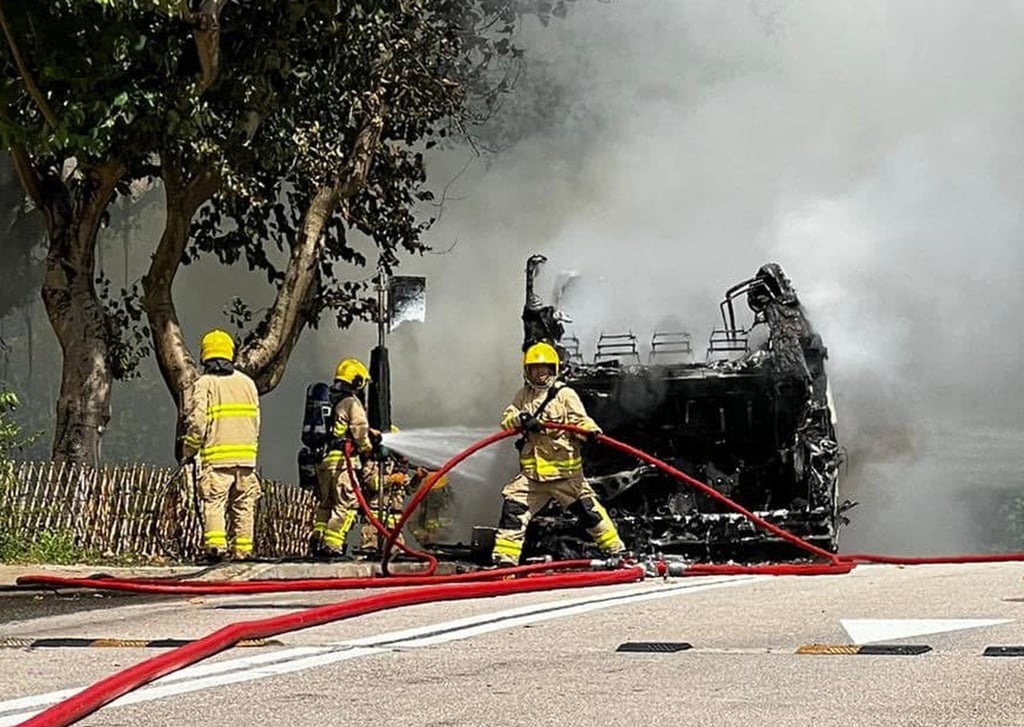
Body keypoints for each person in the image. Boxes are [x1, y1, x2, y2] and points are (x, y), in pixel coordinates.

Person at [491, 342, 626, 567]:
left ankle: (618, 553)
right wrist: (520, 419)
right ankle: (505, 561)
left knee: (589, 513)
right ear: (527, 371)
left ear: (553, 369)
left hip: (565, 477)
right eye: (535, 369)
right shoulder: (523, 396)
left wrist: (591, 432)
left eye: (544, 369)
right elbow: (507, 419)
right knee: (513, 510)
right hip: (533, 478)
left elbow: (581, 421)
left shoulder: (565, 395)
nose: (540, 374)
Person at [180, 329, 262, 563]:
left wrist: (189, 450)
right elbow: (256, 421)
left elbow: (197, 423)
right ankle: (243, 551)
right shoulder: (247, 383)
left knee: (214, 503)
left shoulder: (204, 383)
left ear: (205, 355)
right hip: (246, 461)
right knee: (244, 505)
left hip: (217, 461)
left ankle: (215, 549)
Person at [309, 357, 377, 559]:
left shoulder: (331, 399)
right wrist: (367, 448)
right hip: (342, 463)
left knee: (326, 503)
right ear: (357, 381)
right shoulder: (351, 402)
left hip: (325, 461)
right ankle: (333, 544)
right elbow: (358, 429)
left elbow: (339, 428)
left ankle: (318, 537)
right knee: (347, 504)